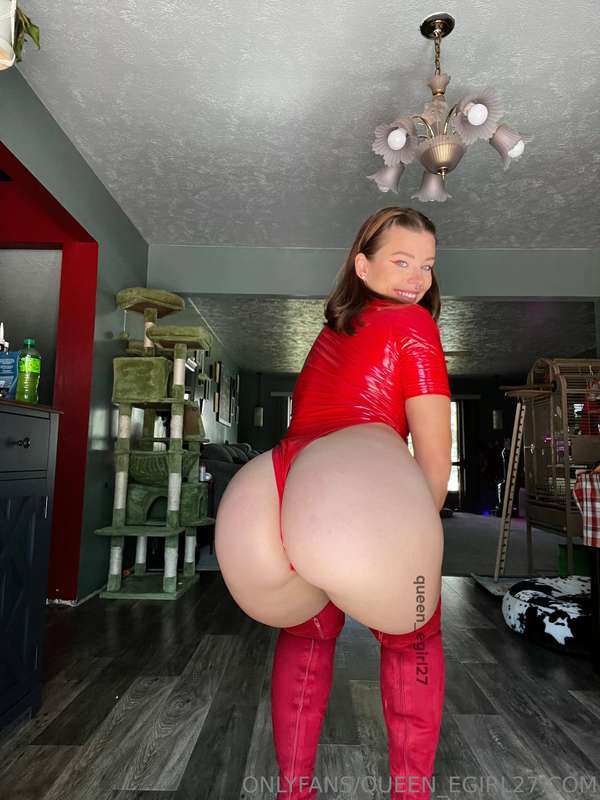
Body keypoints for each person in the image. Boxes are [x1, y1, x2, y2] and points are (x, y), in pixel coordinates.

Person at [215, 207, 452, 799]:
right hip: (349, 482)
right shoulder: (414, 324)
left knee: (306, 636)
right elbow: (434, 451)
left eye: (426, 266)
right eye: (402, 261)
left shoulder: (332, 333)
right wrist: (420, 544)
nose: (417, 279)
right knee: (414, 637)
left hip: (272, 488)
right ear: (362, 265)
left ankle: (293, 791)